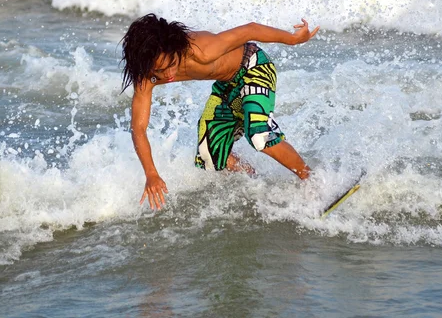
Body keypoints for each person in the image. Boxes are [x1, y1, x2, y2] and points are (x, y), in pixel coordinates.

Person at [121, 14, 320, 210]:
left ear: (175, 48)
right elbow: (138, 128)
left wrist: (294, 39)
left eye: (171, 65)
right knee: (210, 154)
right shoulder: (147, 77)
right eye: (159, 71)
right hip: (228, 85)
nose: (168, 75)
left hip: (254, 66)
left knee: (258, 135)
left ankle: (311, 181)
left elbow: (252, 29)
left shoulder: (201, 49)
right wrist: (151, 174)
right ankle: (256, 183)